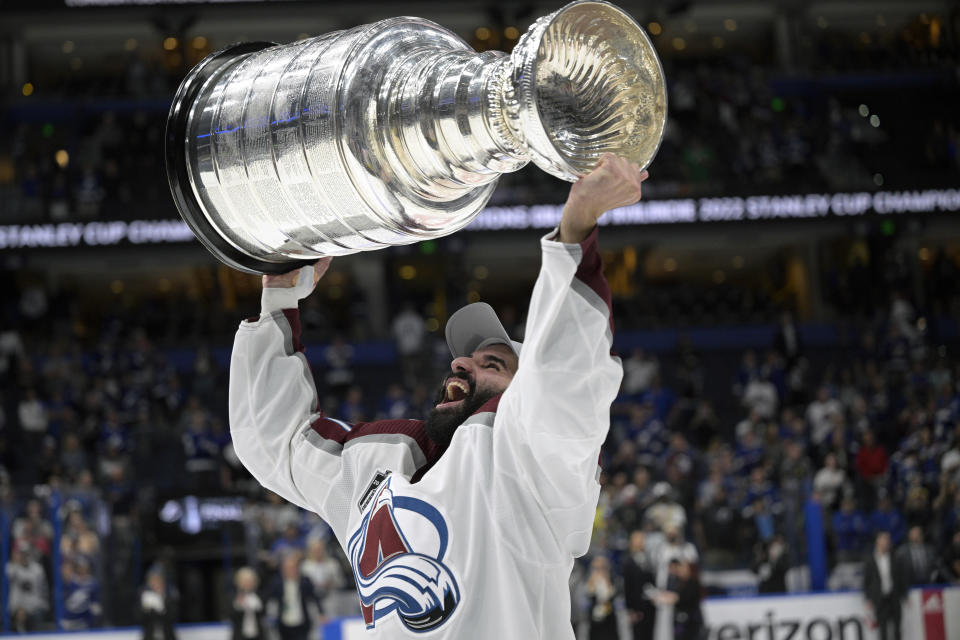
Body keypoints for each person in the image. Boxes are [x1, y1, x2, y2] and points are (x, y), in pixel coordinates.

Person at [229, 154, 647, 638]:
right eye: (465, 359)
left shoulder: (534, 462)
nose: (462, 363)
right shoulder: (376, 463)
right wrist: (279, 297)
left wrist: (575, 230)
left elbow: (567, 378)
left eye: (494, 364)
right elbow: (276, 440)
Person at [266, 554, 321, 640]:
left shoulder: (305, 581)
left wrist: (321, 613)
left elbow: (314, 598)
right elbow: (271, 600)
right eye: (287, 568)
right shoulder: (276, 583)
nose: (290, 570)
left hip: (302, 621)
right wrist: (271, 617)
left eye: (293, 568)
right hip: (283, 622)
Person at [863, 531, 906, 640]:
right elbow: (866, 581)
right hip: (879, 598)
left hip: (894, 597)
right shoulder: (870, 560)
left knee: (897, 628)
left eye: (887, 540)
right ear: (877, 541)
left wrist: (904, 594)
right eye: (883, 539)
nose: (885, 542)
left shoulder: (895, 557)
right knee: (882, 629)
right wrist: (868, 598)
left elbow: (901, 577)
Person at [621, 531, 656, 640]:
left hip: (649, 607)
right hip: (636, 608)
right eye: (638, 539)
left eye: (642, 539)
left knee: (649, 635)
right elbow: (627, 587)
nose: (641, 542)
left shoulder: (648, 559)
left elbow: (651, 581)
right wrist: (631, 610)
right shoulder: (628, 561)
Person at [140, 571, 177, 640]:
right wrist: (147, 609)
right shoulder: (146, 598)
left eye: (158, 582)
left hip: (168, 636)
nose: (156, 585)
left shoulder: (169, 597)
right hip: (150, 636)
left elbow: (173, 616)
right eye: (153, 583)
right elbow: (140, 619)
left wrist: (162, 604)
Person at [232, 567, 266, 640]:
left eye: (250, 581)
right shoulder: (233, 597)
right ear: (239, 582)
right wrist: (238, 604)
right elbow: (231, 615)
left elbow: (263, 613)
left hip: (258, 636)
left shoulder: (259, 596)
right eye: (245, 581)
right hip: (240, 636)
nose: (247, 583)